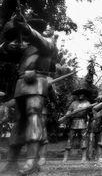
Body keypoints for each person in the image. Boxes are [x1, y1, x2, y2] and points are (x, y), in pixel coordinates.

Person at [0, 17, 57, 175]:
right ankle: (12, 161)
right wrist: (9, 40)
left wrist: (27, 29)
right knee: (18, 122)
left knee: (33, 117)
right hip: (21, 85)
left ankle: (32, 160)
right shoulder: (25, 48)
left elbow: (40, 40)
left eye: (26, 31)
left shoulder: (47, 43)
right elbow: (2, 52)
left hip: (37, 83)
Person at [62, 86, 91, 162]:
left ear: (84, 95)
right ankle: (65, 157)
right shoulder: (73, 103)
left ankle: (84, 157)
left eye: (82, 94)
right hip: (74, 122)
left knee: (84, 139)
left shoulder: (88, 103)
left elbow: (90, 113)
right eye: (79, 94)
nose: (80, 95)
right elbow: (69, 111)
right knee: (70, 138)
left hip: (83, 122)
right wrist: (67, 114)